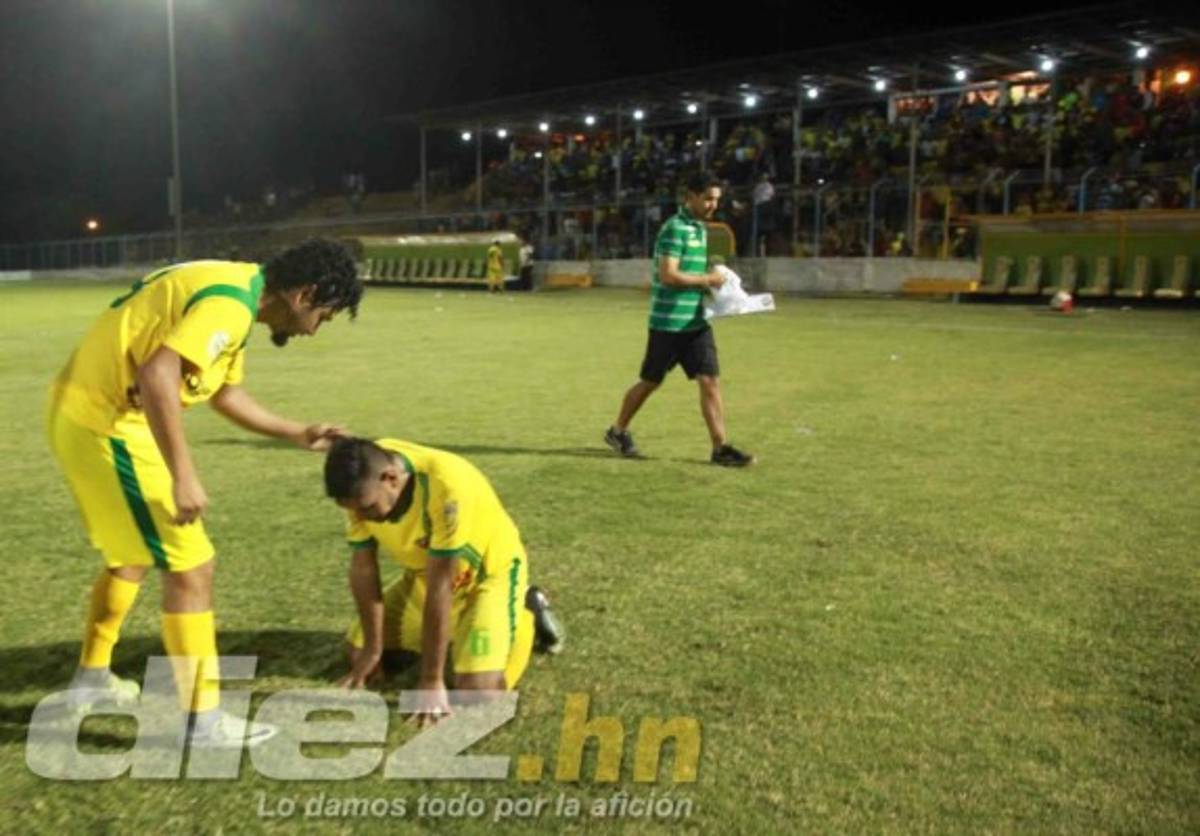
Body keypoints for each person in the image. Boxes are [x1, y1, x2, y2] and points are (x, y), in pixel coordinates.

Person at [47, 239, 364, 748]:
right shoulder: (229, 305)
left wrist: (296, 431)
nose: (316, 328)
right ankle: (202, 719)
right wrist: (183, 473)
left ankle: (91, 679)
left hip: (85, 414)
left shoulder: (240, 292)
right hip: (106, 425)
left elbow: (223, 392)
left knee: (131, 556)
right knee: (193, 567)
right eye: (324, 315)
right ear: (305, 295)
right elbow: (158, 372)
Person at [323, 437, 564, 725]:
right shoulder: (363, 477)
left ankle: (528, 610)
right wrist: (373, 649)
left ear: (391, 479)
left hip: (486, 578)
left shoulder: (447, 486)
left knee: (478, 694)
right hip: (423, 576)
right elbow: (363, 568)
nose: (360, 517)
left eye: (367, 507)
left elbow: (442, 585)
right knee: (358, 653)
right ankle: (458, 635)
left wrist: (430, 680)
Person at [604, 173, 754, 467]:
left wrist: (715, 286)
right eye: (708, 198)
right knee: (650, 381)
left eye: (716, 200)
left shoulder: (699, 228)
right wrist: (708, 279)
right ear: (692, 195)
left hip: (695, 323)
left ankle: (720, 448)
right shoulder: (674, 229)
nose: (713, 205)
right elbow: (668, 275)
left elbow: (689, 272)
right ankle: (617, 430)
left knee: (710, 380)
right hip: (669, 323)